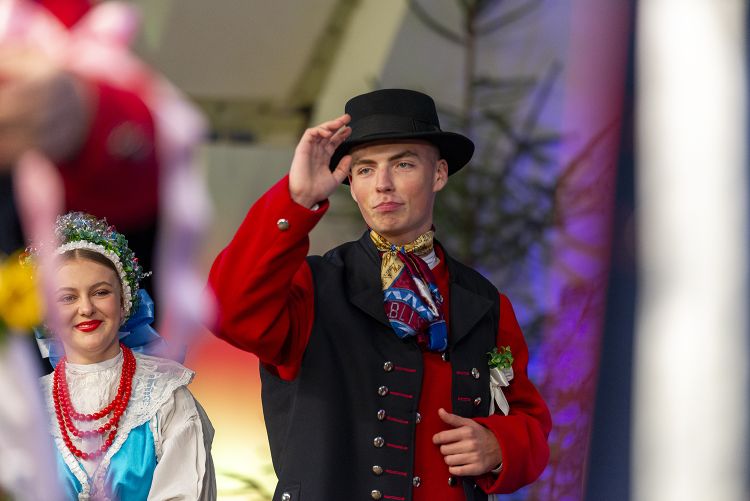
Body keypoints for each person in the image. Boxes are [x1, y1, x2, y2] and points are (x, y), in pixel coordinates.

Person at [208, 89, 551, 500]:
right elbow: (227, 310)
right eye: (366, 169)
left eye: (403, 164)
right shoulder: (311, 287)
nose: (383, 185)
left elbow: (529, 419)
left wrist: (499, 446)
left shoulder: (486, 302)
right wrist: (297, 199)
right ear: (352, 186)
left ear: (439, 174)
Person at [32, 212, 216, 500]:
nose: (86, 308)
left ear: (124, 303)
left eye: (101, 292)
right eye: (68, 297)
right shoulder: (31, 407)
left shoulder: (166, 399)